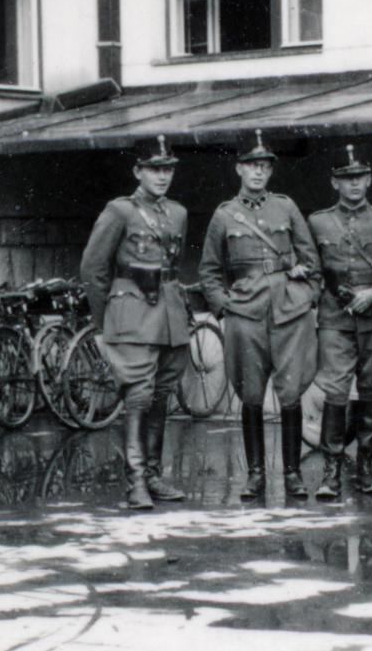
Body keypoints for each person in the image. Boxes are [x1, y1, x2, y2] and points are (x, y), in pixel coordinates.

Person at [199, 132, 321, 502]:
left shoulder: (286, 207)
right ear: (239, 168)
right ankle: (255, 475)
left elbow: (311, 260)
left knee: (289, 391)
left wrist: (306, 294)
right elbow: (209, 271)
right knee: (250, 392)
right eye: (252, 165)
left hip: (288, 311)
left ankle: (293, 473)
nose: (258, 172)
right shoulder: (223, 216)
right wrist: (224, 307)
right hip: (245, 313)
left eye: (265, 166)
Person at [80, 136, 190, 511]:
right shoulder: (120, 211)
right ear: (138, 171)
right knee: (138, 397)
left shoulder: (177, 213)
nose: (162, 176)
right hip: (132, 315)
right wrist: (103, 323)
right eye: (154, 169)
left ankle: (155, 474)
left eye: (168, 169)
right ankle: (136, 481)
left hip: (171, 316)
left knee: (161, 395)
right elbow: (93, 270)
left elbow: (173, 266)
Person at [307, 144, 372, 499]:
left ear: (369, 179)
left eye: (360, 177)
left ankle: (366, 468)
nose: (354, 184)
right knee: (335, 390)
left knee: (370, 390)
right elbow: (312, 269)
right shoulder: (317, 221)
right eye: (346, 177)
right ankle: (331, 471)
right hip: (335, 318)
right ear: (335, 182)